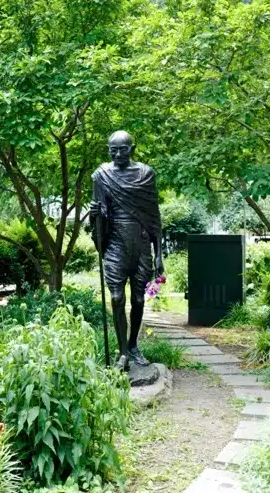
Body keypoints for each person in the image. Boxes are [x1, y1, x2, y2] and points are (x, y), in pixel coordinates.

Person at [90, 130, 164, 371]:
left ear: (132, 149)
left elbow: (154, 216)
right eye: (113, 149)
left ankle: (133, 345)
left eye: (122, 149)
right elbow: (100, 217)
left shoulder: (145, 174)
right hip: (116, 243)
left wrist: (159, 254)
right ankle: (122, 353)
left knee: (139, 299)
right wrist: (95, 216)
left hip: (141, 243)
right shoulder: (101, 176)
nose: (118, 154)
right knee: (116, 297)